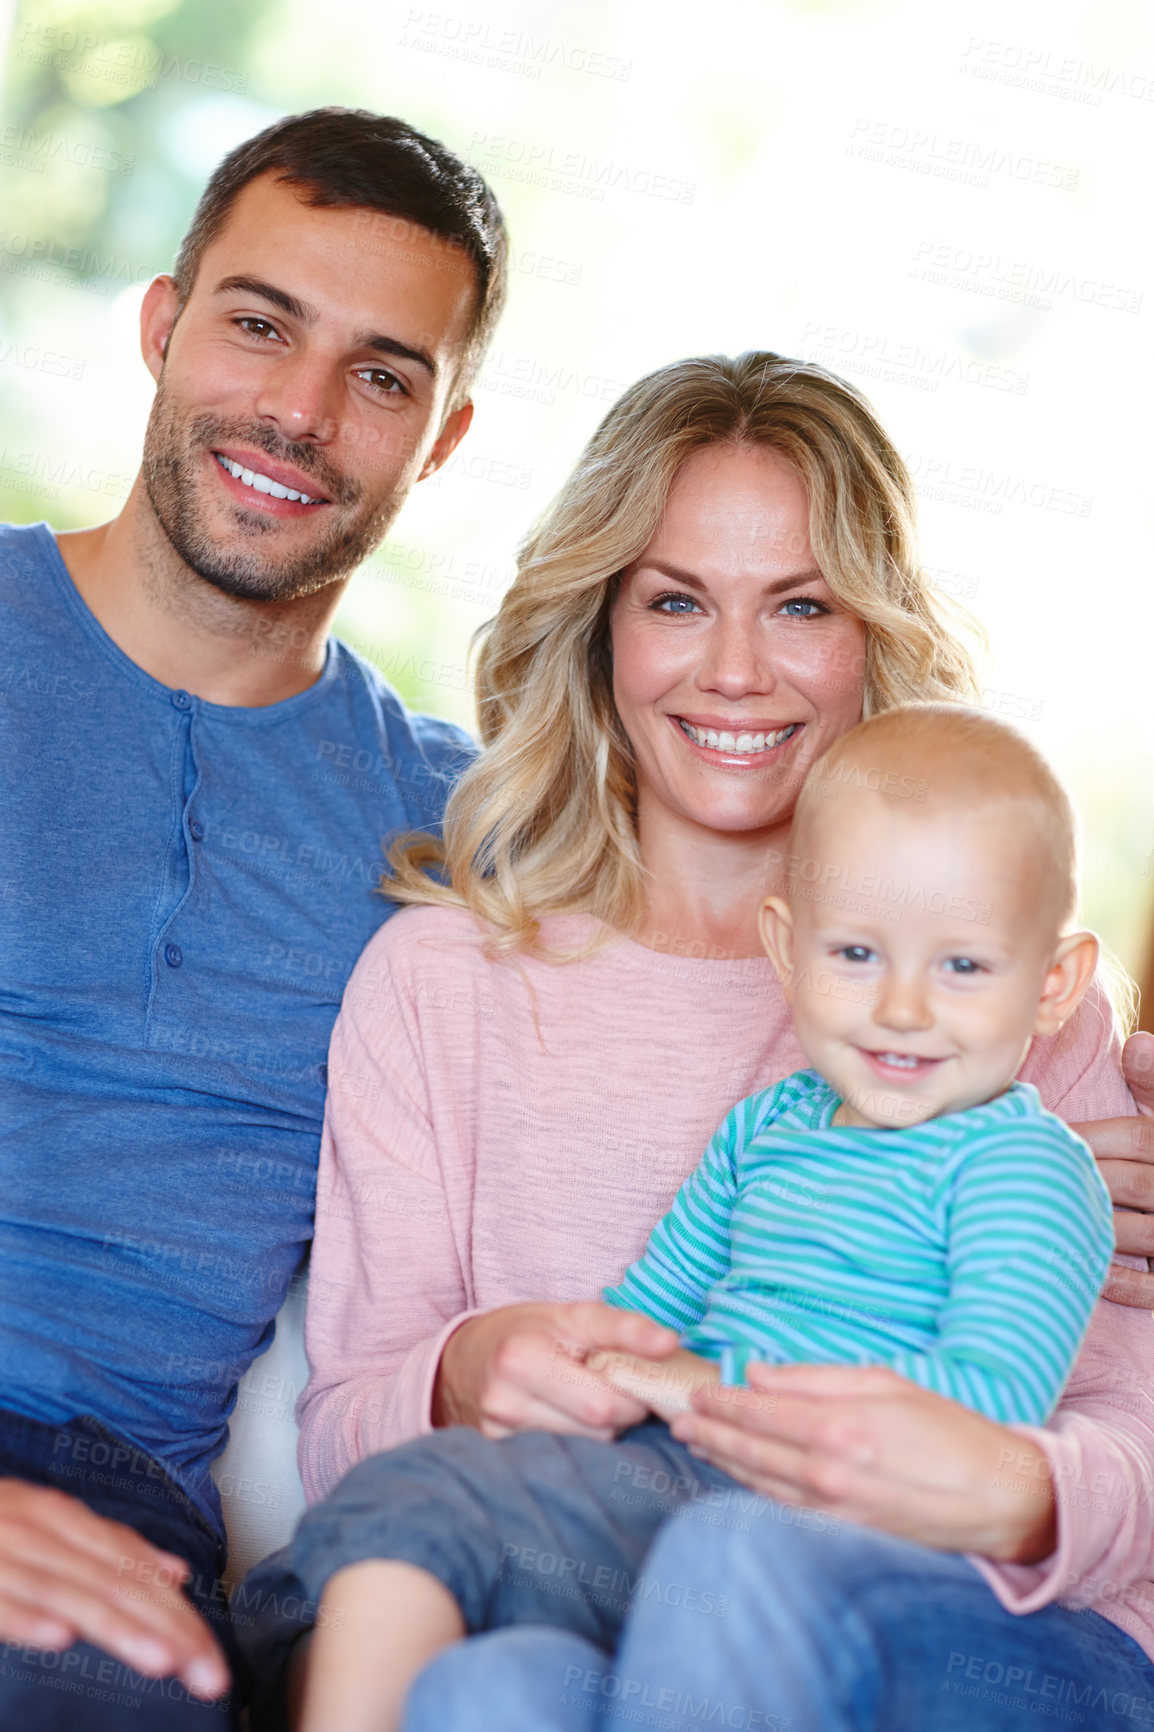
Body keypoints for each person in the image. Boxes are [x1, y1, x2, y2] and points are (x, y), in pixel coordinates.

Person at [233, 352, 1154, 1731]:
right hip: (604, 1586)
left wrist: (1015, 1487)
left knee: (731, 1567)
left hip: (988, 1634)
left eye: (799, 605)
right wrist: (464, 1370)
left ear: (869, 635)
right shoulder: (438, 982)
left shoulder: (1018, 1015)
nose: (734, 669)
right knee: (492, 1692)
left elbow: (1124, 1436)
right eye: (675, 600)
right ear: (601, 627)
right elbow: (349, 1428)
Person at [0, 107, 506, 1728]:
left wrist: (1057, 1129)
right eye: (259, 323)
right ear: (163, 325)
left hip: (107, 1526)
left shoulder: (459, 828)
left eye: (379, 374)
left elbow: (806, 979)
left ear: (441, 438)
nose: (297, 411)